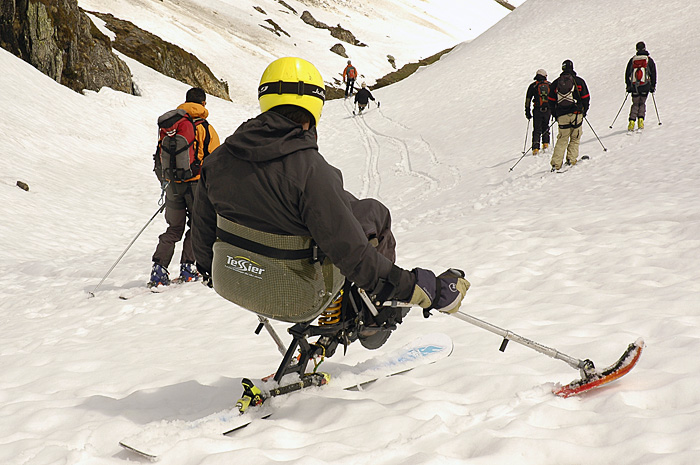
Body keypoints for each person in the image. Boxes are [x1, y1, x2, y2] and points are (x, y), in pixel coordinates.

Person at [192, 57, 469, 352]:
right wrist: (418, 286)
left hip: (234, 282)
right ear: (314, 109)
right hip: (297, 295)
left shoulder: (217, 160)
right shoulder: (310, 171)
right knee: (375, 213)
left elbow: (202, 235)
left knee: (347, 205)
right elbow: (352, 254)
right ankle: (378, 313)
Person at [149, 87, 220, 286]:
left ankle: (158, 269)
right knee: (196, 226)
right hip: (196, 185)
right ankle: (188, 267)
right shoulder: (205, 128)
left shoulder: (171, 128)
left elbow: (160, 156)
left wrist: (166, 181)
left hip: (173, 186)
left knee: (173, 228)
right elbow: (215, 160)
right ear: (204, 103)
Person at [548, 59, 590, 171]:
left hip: (562, 115)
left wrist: (555, 114)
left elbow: (551, 101)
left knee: (562, 138)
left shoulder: (556, 83)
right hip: (576, 114)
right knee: (575, 137)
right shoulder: (579, 81)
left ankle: (556, 164)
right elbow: (586, 98)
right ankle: (571, 159)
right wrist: (584, 111)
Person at [625, 41, 657, 132]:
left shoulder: (633, 60)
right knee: (642, 103)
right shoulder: (648, 60)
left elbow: (627, 73)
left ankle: (631, 122)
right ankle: (640, 120)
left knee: (635, 103)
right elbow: (653, 73)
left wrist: (628, 85)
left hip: (634, 86)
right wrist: (652, 86)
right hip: (645, 85)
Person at [525, 69, 552, 155]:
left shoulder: (533, 86)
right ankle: (546, 144)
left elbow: (528, 100)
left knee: (536, 129)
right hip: (548, 110)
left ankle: (535, 148)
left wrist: (527, 112)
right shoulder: (550, 85)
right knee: (546, 126)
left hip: (537, 110)